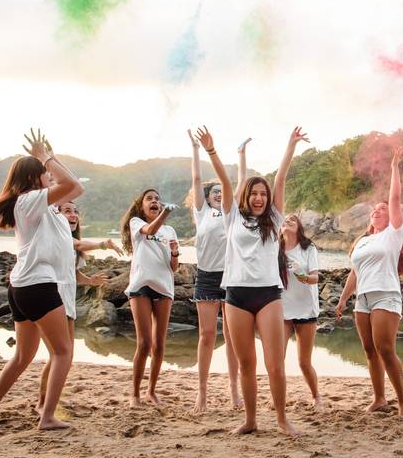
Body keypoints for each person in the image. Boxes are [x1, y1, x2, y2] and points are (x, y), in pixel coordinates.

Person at [195, 125, 308, 436]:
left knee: (275, 365)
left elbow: (281, 178)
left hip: (268, 296)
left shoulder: (273, 218)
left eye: (263, 193)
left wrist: (290, 146)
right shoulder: (231, 215)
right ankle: (250, 420)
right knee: (247, 364)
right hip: (235, 297)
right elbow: (222, 180)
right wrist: (211, 151)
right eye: (255, 193)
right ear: (247, 195)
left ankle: (283, 419)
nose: (259, 197)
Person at [0, 129, 82, 430]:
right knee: (63, 351)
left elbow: (74, 189)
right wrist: (44, 157)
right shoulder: (29, 200)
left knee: (22, 356)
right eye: (45, 173)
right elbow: (70, 184)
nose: (50, 176)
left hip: (23, 287)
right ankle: (46, 416)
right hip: (38, 286)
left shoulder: (46, 209)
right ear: (36, 178)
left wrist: (51, 157)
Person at [335, 147, 403, 418]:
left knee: (385, 349)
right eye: (375, 210)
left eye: (382, 209)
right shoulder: (363, 241)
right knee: (369, 350)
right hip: (363, 299)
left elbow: (395, 198)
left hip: (386, 295)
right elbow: (355, 272)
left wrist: (393, 168)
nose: (378, 211)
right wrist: (344, 298)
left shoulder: (393, 234)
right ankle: (380, 399)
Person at [35, 200, 123, 413]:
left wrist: (90, 281)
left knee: (65, 356)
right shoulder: (58, 236)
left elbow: (73, 272)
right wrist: (103, 245)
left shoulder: (72, 243)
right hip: (52, 298)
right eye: (67, 211)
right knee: (59, 355)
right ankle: (43, 403)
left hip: (68, 301)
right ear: (57, 216)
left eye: (76, 212)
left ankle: (49, 399)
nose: (73, 215)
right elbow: (78, 245)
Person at [187, 130, 250, 412]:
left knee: (233, 337)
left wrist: (240, 155)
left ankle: (234, 390)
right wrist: (196, 150)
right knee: (206, 335)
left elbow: (239, 183)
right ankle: (201, 393)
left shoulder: (229, 213)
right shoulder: (201, 212)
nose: (216, 194)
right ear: (206, 197)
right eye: (212, 192)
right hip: (206, 277)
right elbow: (197, 179)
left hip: (230, 277)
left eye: (218, 192)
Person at [120, 189, 179, 407]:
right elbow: (149, 229)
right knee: (144, 343)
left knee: (159, 345)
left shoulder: (170, 230)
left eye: (157, 199)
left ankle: (151, 392)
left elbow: (174, 268)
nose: (154, 201)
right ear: (142, 206)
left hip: (164, 287)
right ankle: (134, 394)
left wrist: (174, 252)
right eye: (149, 199)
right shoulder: (137, 223)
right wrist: (164, 214)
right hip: (141, 286)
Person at [279, 214, 322, 410]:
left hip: (306, 308)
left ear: (299, 227)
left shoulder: (308, 248)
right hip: (281, 308)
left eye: (292, 220)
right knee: (277, 359)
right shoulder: (275, 249)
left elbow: (315, 278)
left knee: (304, 362)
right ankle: (279, 399)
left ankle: (316, 397)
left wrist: (302, 275)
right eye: (285, 219)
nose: (287, 221)